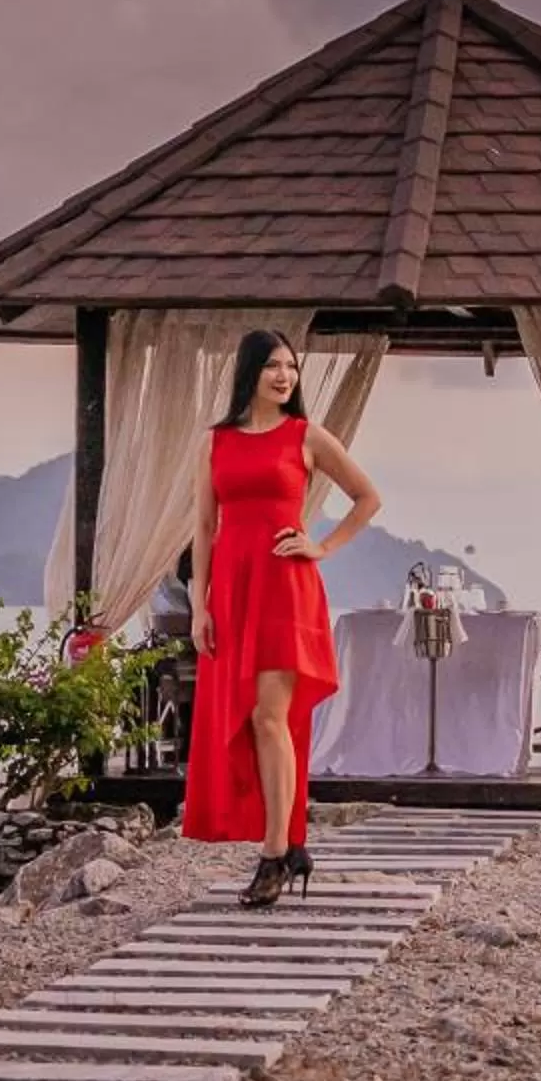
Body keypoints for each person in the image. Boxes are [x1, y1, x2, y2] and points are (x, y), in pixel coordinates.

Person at [182, 328, 382, 906]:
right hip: (232, 595)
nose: (284, 376)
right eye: (273, 366)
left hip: (285, 590)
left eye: (291, 367)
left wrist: (321, 546)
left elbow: (367, 497)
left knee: (271, 718)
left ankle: (274, 855)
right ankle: (291, 845)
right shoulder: (215, 442)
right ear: (249, 372)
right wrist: (200, 606)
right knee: (252, 722)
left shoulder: (307, 436)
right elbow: (203, 528)